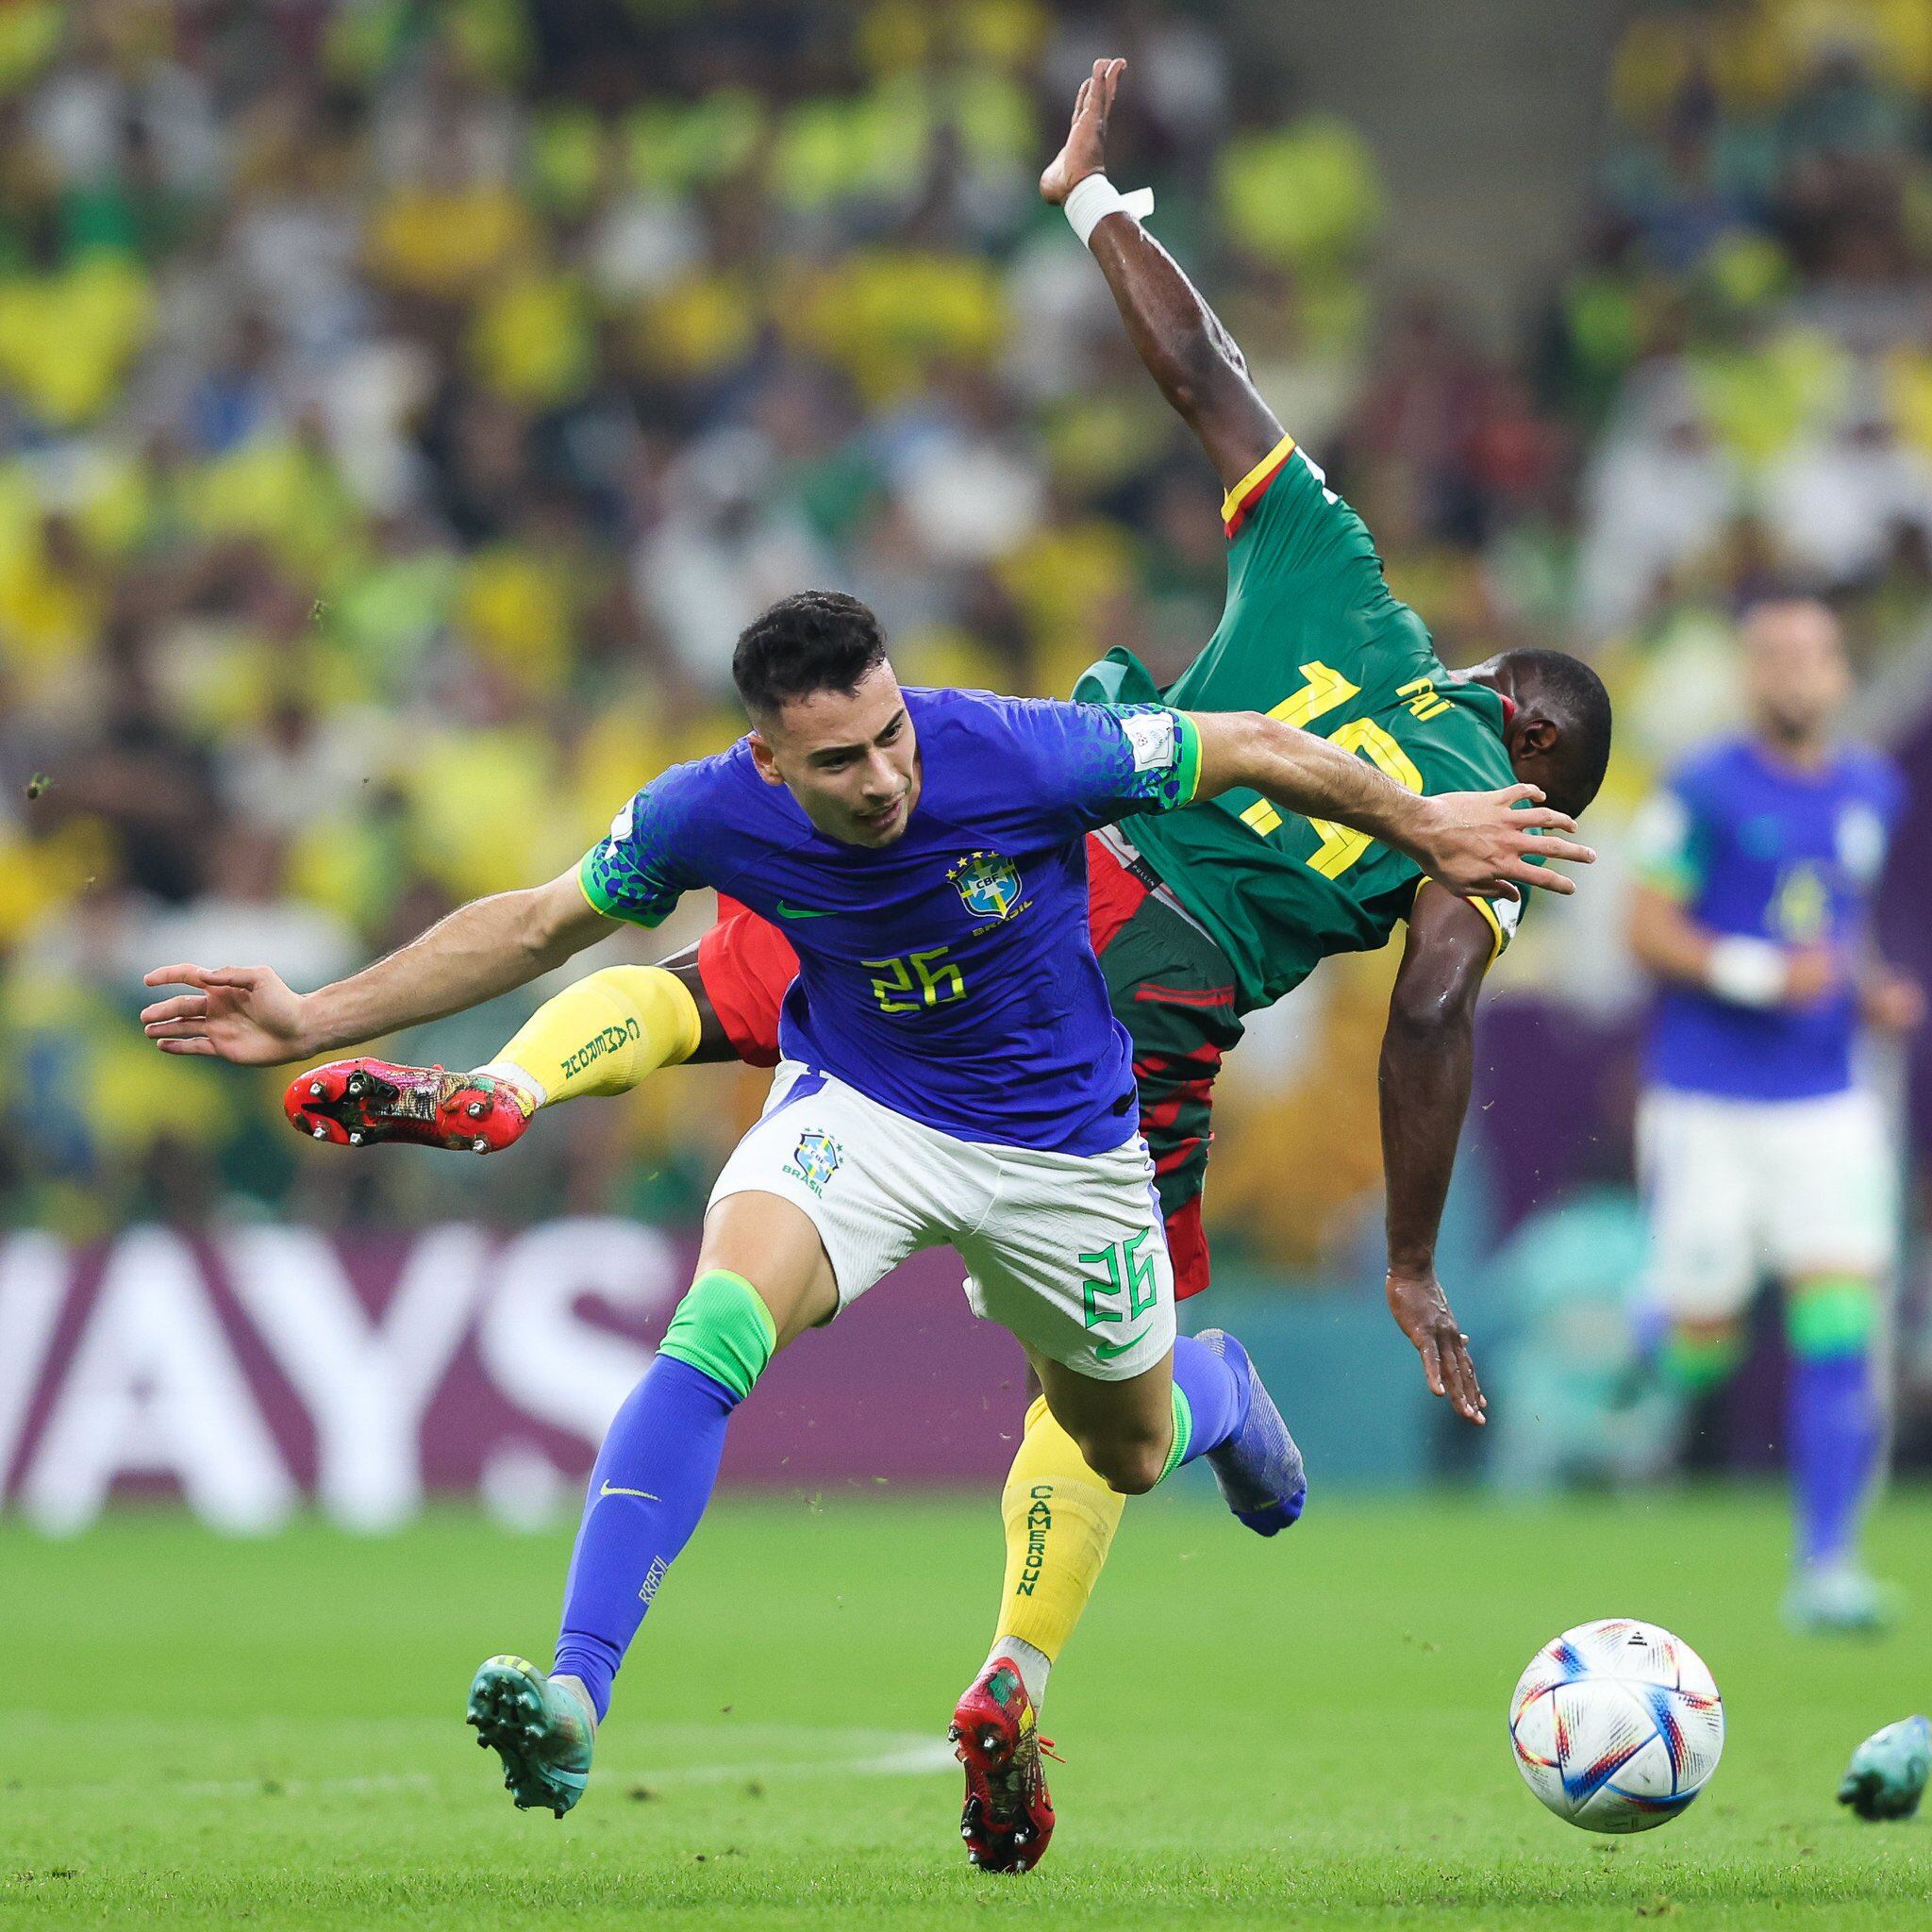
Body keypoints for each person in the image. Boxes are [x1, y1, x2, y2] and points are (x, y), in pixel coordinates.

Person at [274, 59, 1615, 1873]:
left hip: (1041, 949)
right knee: (797, 1315)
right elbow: (1436, 998)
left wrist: (1090, 204)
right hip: (1113, 991)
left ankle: (530, 1093)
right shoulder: (1487, 808)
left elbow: (1200, 381)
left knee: (744, 994)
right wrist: (1402, 1240)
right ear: (1532, 752)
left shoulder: (1339, 583)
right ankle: (779, 1675)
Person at [141, 584, 1584, 1839]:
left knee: (1130, 1450)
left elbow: (1256, 747)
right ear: (768, 757)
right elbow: (535, 922)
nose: (886, 777)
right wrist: (311, 1017)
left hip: (1067, 1153)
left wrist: (1421, 825)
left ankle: (1209, 1392)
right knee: (713, 1329)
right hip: (867, 1113)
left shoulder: (1004, 749)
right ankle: (578, 1692)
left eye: (891, 735)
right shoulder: (707, 810)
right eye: (841, 760)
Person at [1627, 595, 1920, 1634]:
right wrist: (1759, 971)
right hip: (1706, 1099)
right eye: (1771, 656)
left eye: (1810, 655)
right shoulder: (1699, 788)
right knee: (1702, 1343)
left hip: (1826, 1103)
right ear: (1749, 678)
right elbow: (1646, 925)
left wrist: (1870, 988)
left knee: (1841, 1322)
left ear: (1839, 674)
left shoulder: (1870, 787)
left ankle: (1825, 1565)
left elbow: (1838, 929)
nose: (1792, 673)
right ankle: (1654, 1326)